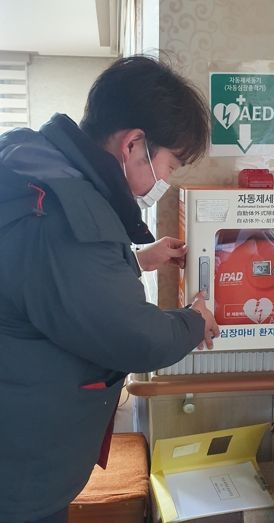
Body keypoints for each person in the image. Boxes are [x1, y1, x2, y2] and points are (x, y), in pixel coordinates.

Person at [0, 55, 219, 523]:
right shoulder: (67, 214)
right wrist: (194, 321)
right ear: (133, 144)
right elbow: (134, 337)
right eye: (170, 164)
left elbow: (46, 284)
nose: (166, 180)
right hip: (17, 474)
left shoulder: (33, 164)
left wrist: (139, 259)